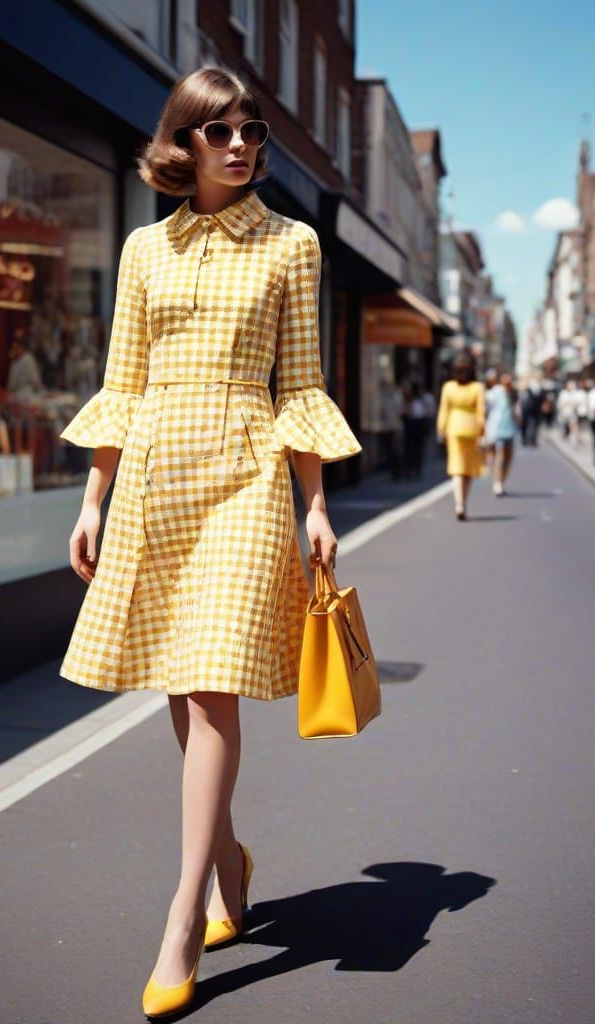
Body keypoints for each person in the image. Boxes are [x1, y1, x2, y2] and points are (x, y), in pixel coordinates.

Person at [58, 68, 361, 1019]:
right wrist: (92, 496)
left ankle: (184, 912)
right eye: (217, 129)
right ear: (183, 142)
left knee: (214, 679)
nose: (239, 143)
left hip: (244, 476)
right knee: (182, 686)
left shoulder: (292, 243)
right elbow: (124, 383)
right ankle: (228, 856)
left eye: (251, 128)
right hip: (153, 476)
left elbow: (301, 385)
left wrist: (315, 502)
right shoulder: (146, 249)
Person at [437, 352, 486, 519]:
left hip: (454, 428)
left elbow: (444, 410)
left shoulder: (448, 387)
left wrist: (441, 430)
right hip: (472, 429)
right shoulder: (477, 387)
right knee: (468, 470)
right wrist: (482, 432)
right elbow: (481, 412)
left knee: (457, 467)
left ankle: (459, 503)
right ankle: (463, 501)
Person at [484, 369, 520, 496]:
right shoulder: (495, 393)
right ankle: (497, 482)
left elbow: (516, 410)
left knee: (508, 457)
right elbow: (485, 406)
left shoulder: (514, 393)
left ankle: (502, 481)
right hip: (497, 428)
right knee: (500, 456)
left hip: (510, 429)